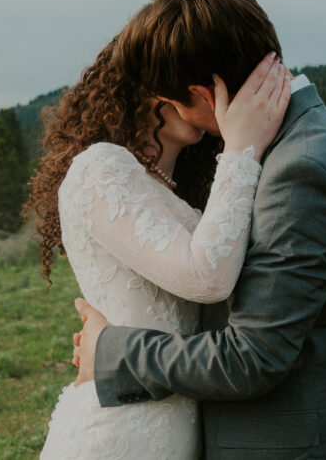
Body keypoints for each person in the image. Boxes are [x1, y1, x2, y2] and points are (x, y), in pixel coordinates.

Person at [72, 0, 326, 459]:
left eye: (171, 102)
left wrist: (110, 349)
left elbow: (252, 357)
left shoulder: (300, 169)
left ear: (200, 94)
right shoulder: (296, 141)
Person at [26, 33, 291, 459]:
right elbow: (208, 278)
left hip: (177, 429)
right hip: (116, 434)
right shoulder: (101, 167)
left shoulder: (179, 193)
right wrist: (242, 150)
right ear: (138, 89)